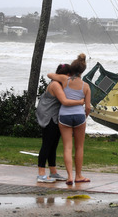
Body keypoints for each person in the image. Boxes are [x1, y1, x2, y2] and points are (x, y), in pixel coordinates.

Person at [35, 63, 85, 183]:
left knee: (53, 145)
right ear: (67, 75)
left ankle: (53, 172)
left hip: (56, 117)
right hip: (49, 117)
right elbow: (64, 101)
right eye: (71, 76)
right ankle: (41, 174)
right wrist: (81, 101)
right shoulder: (55, 85)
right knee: (47, 144)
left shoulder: (59, 83)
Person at [48, 53, 92, 186]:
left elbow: (50, 75)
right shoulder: (86, 86)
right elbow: (88, 107)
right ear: (83, 71)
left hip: (65, 116)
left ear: (72, 70)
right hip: (79, 116)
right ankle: (79, 175)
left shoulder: (64, 80)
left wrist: (64, 75)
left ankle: (69, 176)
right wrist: (84, 117)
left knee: (67, 147)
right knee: (79, 147)